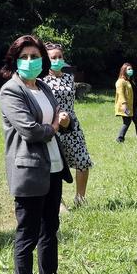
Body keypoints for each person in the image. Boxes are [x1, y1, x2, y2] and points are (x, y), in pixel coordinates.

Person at [0, 35, 81, 274]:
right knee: (28, 234)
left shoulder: (43, 87)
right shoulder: (11, 90)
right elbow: (31, 131)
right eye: (25, 57)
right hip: (29, 171)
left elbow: (57, 117)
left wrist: (63, 122)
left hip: (54, 167)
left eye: (35, 57)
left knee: (50, 228)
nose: (30, 61)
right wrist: (56, 125)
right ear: (15, 61)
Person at [42, 43, 93, 207]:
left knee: (83, 161)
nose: (57, 60)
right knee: (55, 166)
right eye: (53, 57)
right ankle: (58, 203)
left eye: (60, 57)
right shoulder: (41, 80)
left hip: (72, 125)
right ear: (46, 60)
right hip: (52, 126)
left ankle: (80, 198)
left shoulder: (69, 77)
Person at [115, 62, 137, 142]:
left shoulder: (130, 81)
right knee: (127, 122)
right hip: (126, 106)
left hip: (133, 106)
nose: (131, 70)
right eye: (129, 69)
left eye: (131, 69)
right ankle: (120, 139)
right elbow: (120, 94)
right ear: (124, 70)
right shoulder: (121, 81)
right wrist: (124, 105)